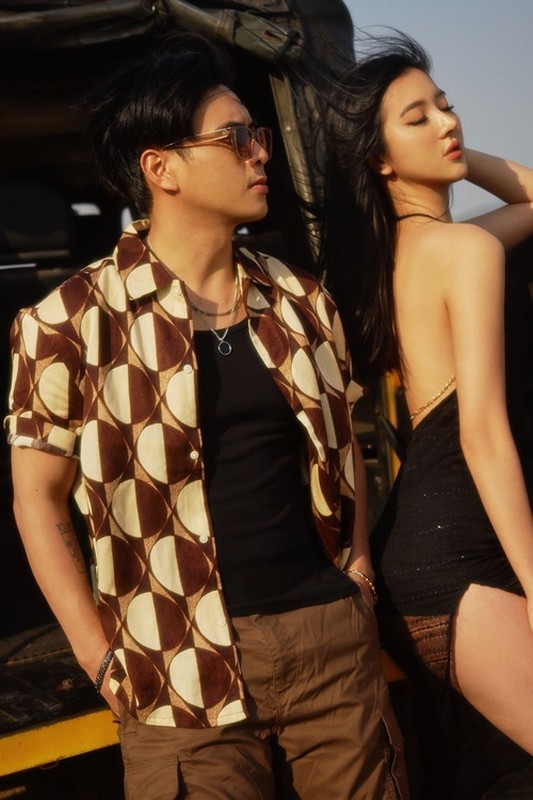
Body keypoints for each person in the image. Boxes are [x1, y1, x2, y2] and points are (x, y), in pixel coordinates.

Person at [4, 32, 406, 800]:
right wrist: (97, 655)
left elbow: (340, 445)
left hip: (327, 645)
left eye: (259, 136)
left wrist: (355, 572)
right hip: (171, 664)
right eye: (235, 137)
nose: (259, 153)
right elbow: (37, 500)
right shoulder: (68, 320)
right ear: (162, 169)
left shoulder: (300, 299)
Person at [321, 31, 533, 797]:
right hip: (460, 558)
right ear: (377, 158)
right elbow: (481, 433)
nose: (448, 122)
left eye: (445, 106)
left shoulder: (399, 259)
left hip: (423, 555)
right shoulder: (463, 253)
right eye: (417, 117)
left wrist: (433, 148)